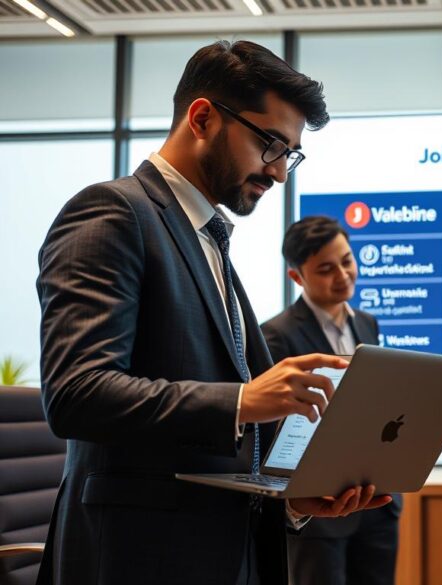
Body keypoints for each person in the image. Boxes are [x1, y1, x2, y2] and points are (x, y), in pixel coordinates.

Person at [35, 40, 390, 585]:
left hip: (223, 553)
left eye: (289, 154)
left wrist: (293, 500)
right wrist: (245, 399)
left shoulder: (209, 238)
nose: (278, 174)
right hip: (140, 559)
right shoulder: (112, 213)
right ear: (202, 117)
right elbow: (77, 393)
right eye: (270, 145)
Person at [261, 216, 403, 585]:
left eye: (347, 260)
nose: (342, 275)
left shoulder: (368, 323)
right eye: (326, 269)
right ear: (297, 277)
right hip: (319, 507)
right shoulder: (276, 336)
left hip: (376, 502)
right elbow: (272, 431)